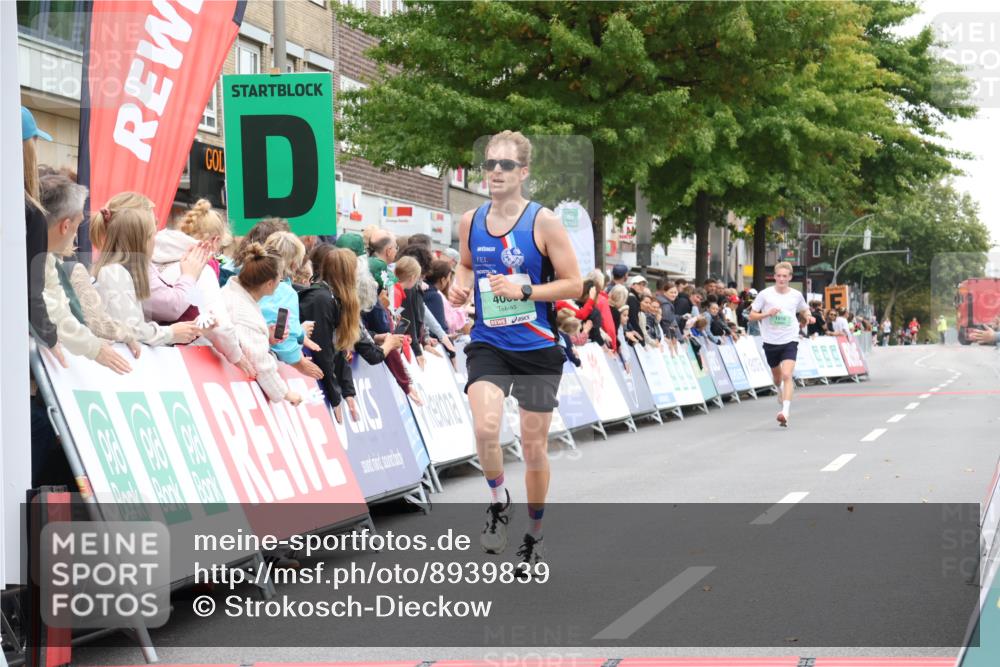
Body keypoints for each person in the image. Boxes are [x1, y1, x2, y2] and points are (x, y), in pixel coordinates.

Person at [448, 130, 582, 568]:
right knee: (486, 429)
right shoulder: (470, 221)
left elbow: (574, 284)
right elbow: (466, 266)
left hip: (538, 348)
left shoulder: (544, 222)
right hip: (489, 341)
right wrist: (458, 288)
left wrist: (526, 289)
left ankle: (536, 532)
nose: (496, 173)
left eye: (505, 165)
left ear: (524, 172)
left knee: (533, 445)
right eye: (490, 164)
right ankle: (497, 501)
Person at [92, 199, 201, 347]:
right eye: (152, 235)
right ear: (140, 241)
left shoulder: (117, 271)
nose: (154, 241)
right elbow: (131, 329)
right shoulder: (115, 272)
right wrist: (170, 333)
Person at [219, 243, 302, 405]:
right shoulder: (243, 313)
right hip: (228, 389)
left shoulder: (233, 294)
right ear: (270, 284)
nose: (282, 280)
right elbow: (260, 363)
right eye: (280, 277)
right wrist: (286, 393)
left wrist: (267, 338)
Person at [747, 261, 814, 428]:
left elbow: (803, 309)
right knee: (777, 378)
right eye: (779, 276)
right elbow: (751, 316)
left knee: (787, 375)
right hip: (770, 340)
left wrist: (808, 316)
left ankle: (785, 411)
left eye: (785, 276)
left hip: (790, 338)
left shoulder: (796, 295)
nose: (782, 279)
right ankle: (779, 391)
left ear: (790, 277)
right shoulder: (765, 294)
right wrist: (767, 314)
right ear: (774, 277)